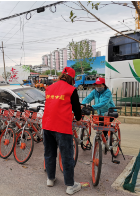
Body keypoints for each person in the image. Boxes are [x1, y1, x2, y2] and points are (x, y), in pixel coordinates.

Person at [42, 67, 82, 195]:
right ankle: (70, 186)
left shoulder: (50, 88)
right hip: (62, 127)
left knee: (49, 153)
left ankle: (50, 178)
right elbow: (76, 107)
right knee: (66, 156)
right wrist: (79, 119)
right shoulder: (71, 89)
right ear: (72, 78)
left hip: (47, 125)